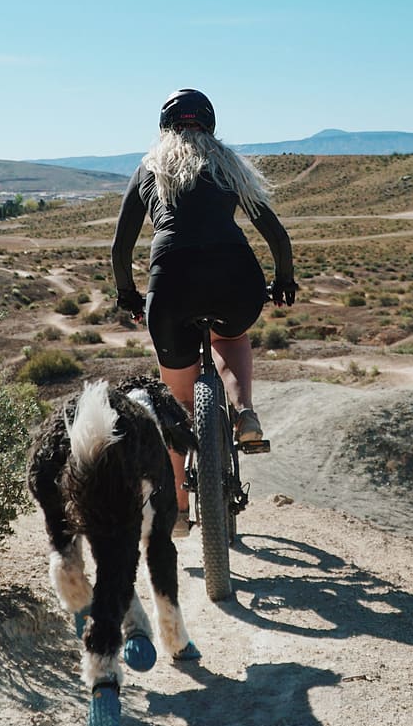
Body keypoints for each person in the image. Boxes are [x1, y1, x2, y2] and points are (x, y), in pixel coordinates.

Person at [111, 88, 297, 524]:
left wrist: (129, 296)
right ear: (210, 124)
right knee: (230, 338)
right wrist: (284, 280)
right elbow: (275, 232)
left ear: (164, 126)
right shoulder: (229, 164)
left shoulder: (150, 166)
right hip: (236, 278)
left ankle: (176, 509)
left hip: (171, 283)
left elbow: (121, 247)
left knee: (176, 401)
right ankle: (245, 413)